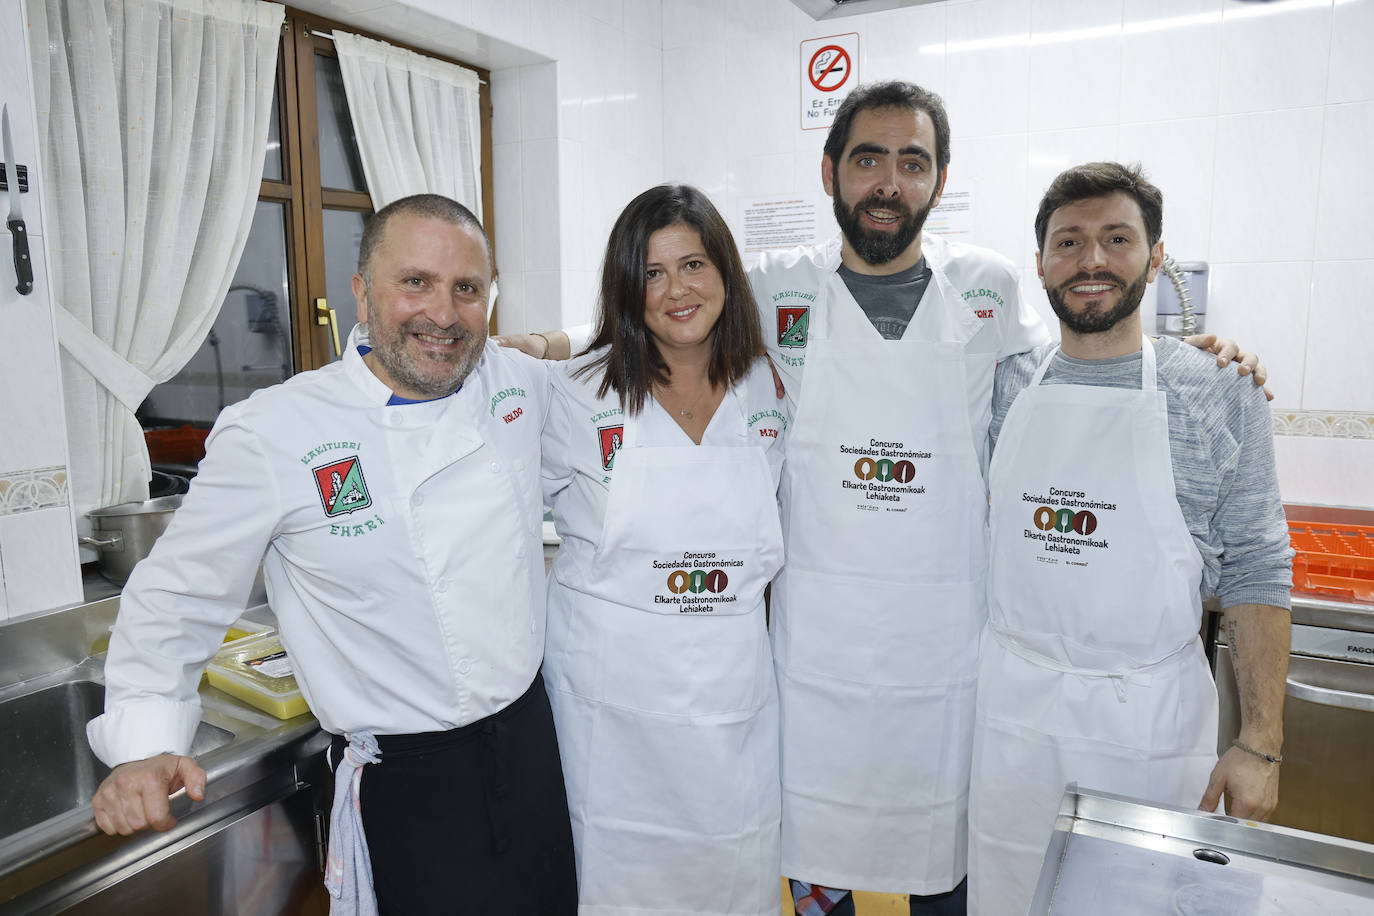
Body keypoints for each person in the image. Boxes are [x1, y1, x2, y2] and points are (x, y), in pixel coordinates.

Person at [500, 81, 1262, 916]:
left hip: (947, 663)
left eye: (912, 162)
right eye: (869, 160)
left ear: (939, 178)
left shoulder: (990, 289)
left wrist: (1195, 356)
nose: (889, 182)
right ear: (831, 172)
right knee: (810, 859)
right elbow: (662, 302)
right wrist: (547, 342)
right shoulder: (776, 286)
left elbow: (1088, 354)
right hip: (812, 661)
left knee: (950, 865)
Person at [86, 194, 577, 915]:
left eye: (466, 289)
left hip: (532, 745)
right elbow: (179, 596)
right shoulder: (276, 431)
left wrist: (540, 343)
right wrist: (142, 744)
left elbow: (608, 359)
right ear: (361, 292)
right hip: (412, 782)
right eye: (416, 282)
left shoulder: (512, 384)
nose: (442, 313)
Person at [966, 162, 1292, 916]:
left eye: (1117, 238)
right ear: (1041, 262)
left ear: (1154, 256)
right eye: (1068, 242)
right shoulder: (1003, 384)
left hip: (1146, 728)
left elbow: (1257, 569)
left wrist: (1260, 743)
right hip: (1014, 721)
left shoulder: (1216, 388)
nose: (1092, 261)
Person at [539, 184, 788, 915]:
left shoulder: (767, 383)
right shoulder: (577, 392)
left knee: (732, 871)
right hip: (612, 703)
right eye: (652, 273)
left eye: (694, 265)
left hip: (730, 694)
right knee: (616, 878)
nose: (676, 289)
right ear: (627, 286)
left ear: (726, 275)